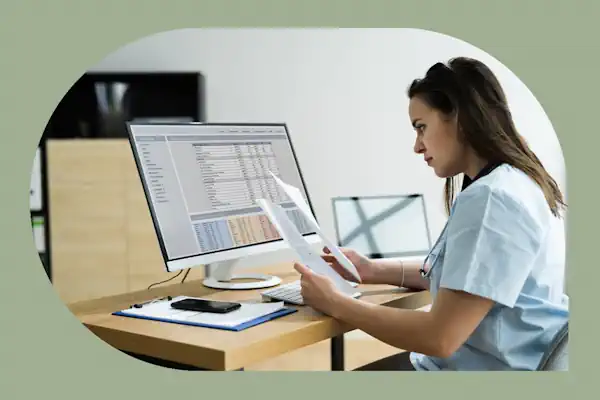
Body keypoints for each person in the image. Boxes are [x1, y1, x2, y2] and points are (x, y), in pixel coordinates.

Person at [293, 56, 570, 371]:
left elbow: (441, 337)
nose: (417, 145)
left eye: (421, 127)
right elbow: (467, 278)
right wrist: (370, 269)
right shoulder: (518, 180)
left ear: (459, 118)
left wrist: (336, 303)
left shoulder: (492, 199)